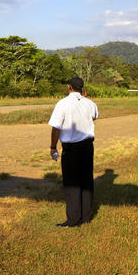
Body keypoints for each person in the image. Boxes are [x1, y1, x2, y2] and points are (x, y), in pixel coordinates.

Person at [48, 77, 98, 227]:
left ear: (68, 87)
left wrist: (52, 146)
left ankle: (74, 219)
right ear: (83, 88)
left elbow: (56, 127)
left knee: (71, 182)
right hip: (87, 146)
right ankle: (86, 217)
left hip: (71, 148)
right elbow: (94, 117)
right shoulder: (90, 103)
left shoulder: (62, 103)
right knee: (86, 180)